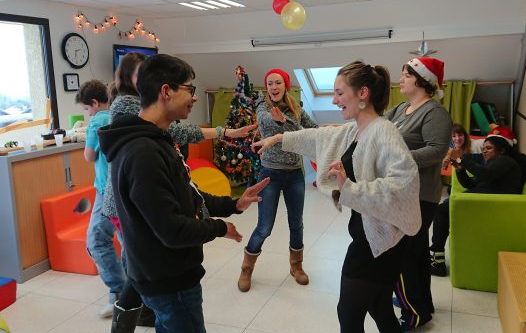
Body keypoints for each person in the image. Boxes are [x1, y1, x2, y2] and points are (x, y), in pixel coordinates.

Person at [99, 54, 270, 333]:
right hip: (169, 278)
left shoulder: (157, 140)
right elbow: (171, 229)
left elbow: (186, 191)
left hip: (170, 274)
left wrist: (233, 204)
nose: (194, 98)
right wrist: (219, 227)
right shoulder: (143, 153)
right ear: (166, 91)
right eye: (189, 89)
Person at [252, 60, 421, 333]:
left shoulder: (383, 131)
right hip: (372, 234)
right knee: (379, 307)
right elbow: (320, 136)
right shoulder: (357, 129)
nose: (334, 99)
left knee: (348, 312)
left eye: (340, 93)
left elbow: (405, 184)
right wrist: (277, 139)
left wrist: (350, 188)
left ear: (362, 93)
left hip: (380, 242)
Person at [386, 57, 452, 331]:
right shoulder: (401, 108)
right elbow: (378, 127)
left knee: (403, 254)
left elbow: (437, 150)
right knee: (415, 253)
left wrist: (398, 158)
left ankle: (415, 312)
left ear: (422, 80)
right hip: (400, 191)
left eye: (406, 74)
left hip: (419, 195)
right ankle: (421, 303)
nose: (400, 79)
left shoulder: (434, 113)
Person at [238, 68, 318, 292]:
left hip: (294, 175)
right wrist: (285, 123)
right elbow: (270, 124)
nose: (273, 87)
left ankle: (296, 266)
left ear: (285, 86)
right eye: (270, 83)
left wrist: (289, 122)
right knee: (264, 227)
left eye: (278, 83)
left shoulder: (298, 110)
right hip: (270, 175)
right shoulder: (263, 108)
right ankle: (246, 268)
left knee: (297, 224)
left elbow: (312, 131)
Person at [430, 127, 524, 275]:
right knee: (443, 209)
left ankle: (438, 260)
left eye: (489, 148)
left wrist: (461, 157)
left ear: (502, 150)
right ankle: (437, 258)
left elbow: (486, 175)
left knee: (442, 210)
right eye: (483, 148)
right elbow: (470, 184)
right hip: (484, 200)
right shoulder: (493, 163)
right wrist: (460, 168)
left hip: (493, 205)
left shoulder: (505, 161)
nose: (484, 151)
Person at [75, 80, 125, 318]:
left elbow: (89, 156)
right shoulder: (120, 115)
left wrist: (88, 129)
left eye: (86, 108)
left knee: (97, 241)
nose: (88, 113)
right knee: (128, 243)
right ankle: (130, 295)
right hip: (121, 189)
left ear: (94, 103)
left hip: (106, 191)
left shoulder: (98, 120)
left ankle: (119, 292)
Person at [432, 123, 482, 276]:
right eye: (454, 136)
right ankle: (436, 255)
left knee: (441, 209)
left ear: (465, 136)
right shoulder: (454, 150)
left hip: (479, 189)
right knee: (445, 200)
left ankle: (437, 258)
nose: (457, 138)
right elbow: (452, 156)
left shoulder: (477, 145)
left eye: (460, 135)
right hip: (473, 184)